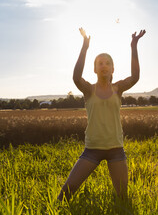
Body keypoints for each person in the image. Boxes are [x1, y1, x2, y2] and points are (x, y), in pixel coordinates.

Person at [57, 27, 146, 201]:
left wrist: (134, 45)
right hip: (92, 150)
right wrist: (85, 47)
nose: (103, 65)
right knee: (65, 194)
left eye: (107, 63)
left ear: (113, 69)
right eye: (100, 63)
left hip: (115, 150)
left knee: (122, 199)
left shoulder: (118, 89)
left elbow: (135, 77)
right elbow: (76, 77)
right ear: (95, 70)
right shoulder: (89, 90)